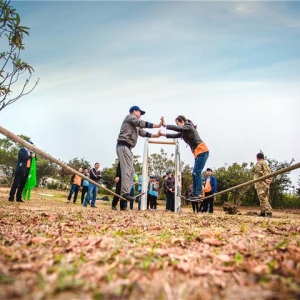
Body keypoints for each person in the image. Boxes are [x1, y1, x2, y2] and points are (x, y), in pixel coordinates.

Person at [116, 105, 163, 202]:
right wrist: (157, 125)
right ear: (134, 111)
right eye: (140, 113)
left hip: (128, 148)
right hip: (123, 145)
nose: (140, 115)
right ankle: (125, 192)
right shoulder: (130, 117)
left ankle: (126, 192)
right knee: (127, 170)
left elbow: (144, 133)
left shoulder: (135, 126)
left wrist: (157, 136)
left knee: (132, 171)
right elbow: (141, 123)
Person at [160, 115, 209, 200]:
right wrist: (162, 134)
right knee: (194, 173)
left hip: (202, 151)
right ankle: (195, 193)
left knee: (196, 173)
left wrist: (165, 125)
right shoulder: (183, 132)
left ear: (182, 121)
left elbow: (178, 129)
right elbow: (174, 135)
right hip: (197, 153)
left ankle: (199, 193)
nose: (178, 125)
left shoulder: (188, 126)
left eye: (178, 123)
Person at [254, 153, 272, 217]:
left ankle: (268, 211)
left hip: (261, 183)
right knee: (265, 197)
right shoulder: (266, 164)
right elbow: (270, 173)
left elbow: (258, 172)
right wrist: (269, 180)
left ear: (257, 158)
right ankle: (263, 211)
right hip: (267, 183)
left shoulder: (259, 163)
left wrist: (265, 179)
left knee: (262, 198)